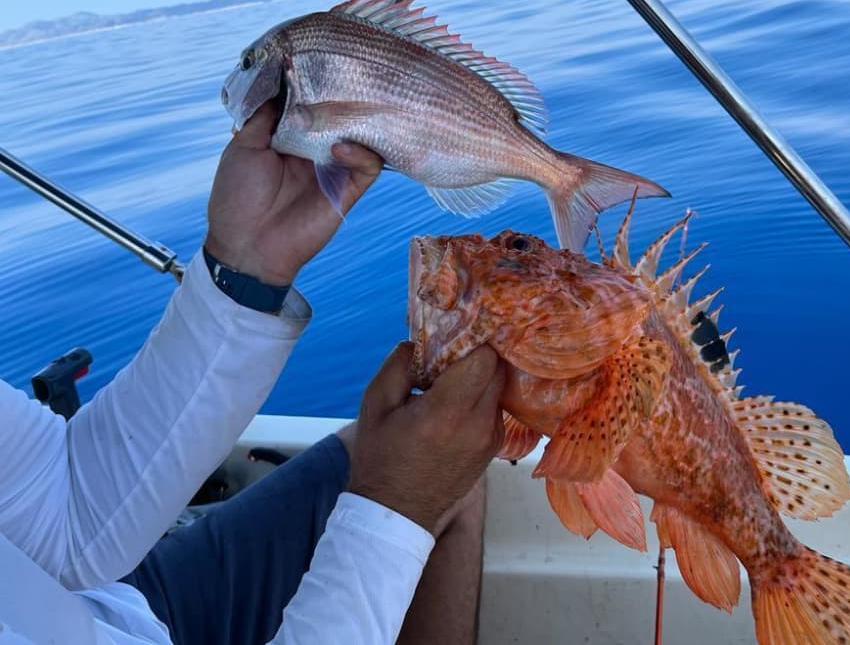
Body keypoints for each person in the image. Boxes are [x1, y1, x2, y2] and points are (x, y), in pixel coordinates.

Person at [0, 100, 506, 645]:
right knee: (424, 482)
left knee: (446, 475)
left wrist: (244, 268)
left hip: (102, 607)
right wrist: (392, 511)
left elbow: (67, 511)